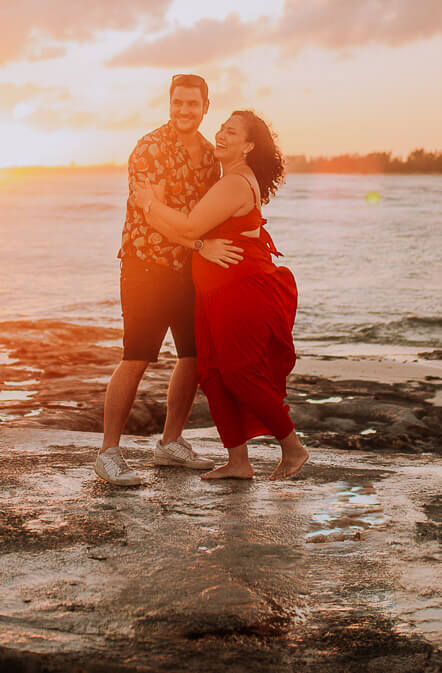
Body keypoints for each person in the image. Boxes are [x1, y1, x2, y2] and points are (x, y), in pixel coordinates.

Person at [135, 109, 308, 481]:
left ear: (247, 146)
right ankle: (238, 462)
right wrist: (196, 241)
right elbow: (193, 231)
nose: (222, 135)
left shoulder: (234, 184)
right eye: (222, 129)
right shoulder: (228, 178)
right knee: (211, 372)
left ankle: (293, 448)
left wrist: (150, 205)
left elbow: (188, 225)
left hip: (238, 290)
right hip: (212, 291)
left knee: (240, 373)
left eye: (232, 132)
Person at [95, 74, 241, 486]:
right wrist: (201, 244)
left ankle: (170, 444)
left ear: (205, 107)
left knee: (192, 357)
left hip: (191, 271)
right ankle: (108, 452)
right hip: (146, 266)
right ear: (169, 104)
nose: (183, 111)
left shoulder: (213, 158)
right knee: (136, 357)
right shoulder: (149, 148)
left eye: (192, 104)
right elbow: (153, 216)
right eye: (178, 103)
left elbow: (216, 210)